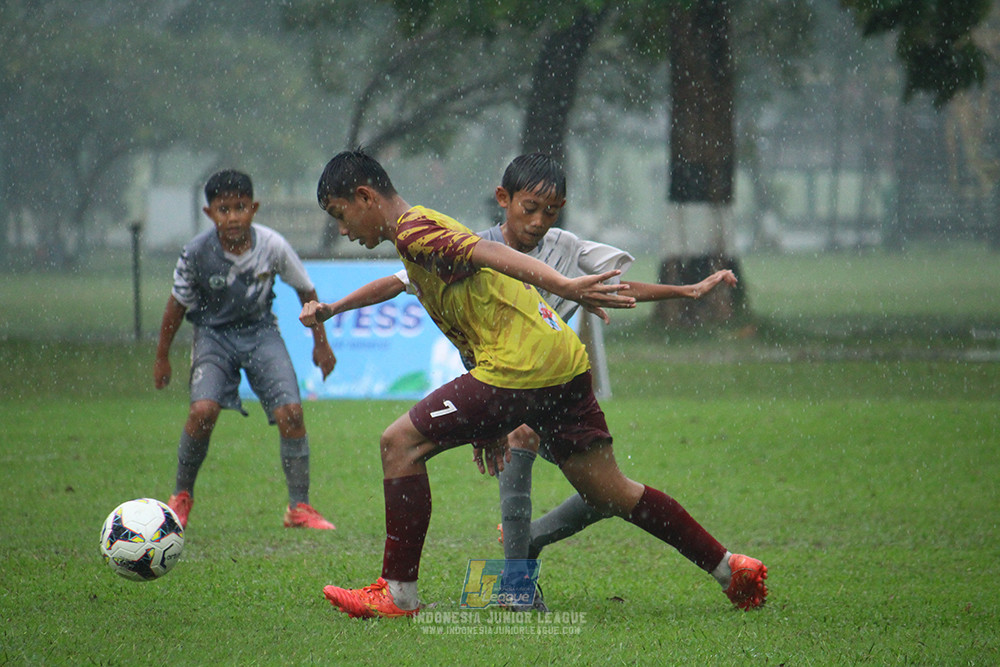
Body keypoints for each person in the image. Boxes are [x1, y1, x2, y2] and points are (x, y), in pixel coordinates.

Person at [300, 149, 767, 619]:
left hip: (521, 366)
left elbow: (490, 252)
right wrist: (487, 419)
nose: (343, 230)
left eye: (341, 214)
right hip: (562, 359)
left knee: (399, 443)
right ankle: (729, 568)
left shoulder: (414, 230)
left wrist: (563, 285)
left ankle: (398, 595)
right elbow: (464, 291)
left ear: (365, 197)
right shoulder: (422, 229)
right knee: (611, 491)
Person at [153, 169, 337, 531]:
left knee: (292, 413)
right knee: (202, 411)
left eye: (240, 207)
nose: (233, 217)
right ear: (209, 213)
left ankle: (299, 507)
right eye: (224, 209)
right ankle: (181, 497)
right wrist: (162, 357)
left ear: (254, 208)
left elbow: (306, 290)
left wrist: (322, 343)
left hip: (260, 333)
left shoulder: (272, 245)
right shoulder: (195, 253)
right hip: (214, 336)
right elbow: (176, 305)